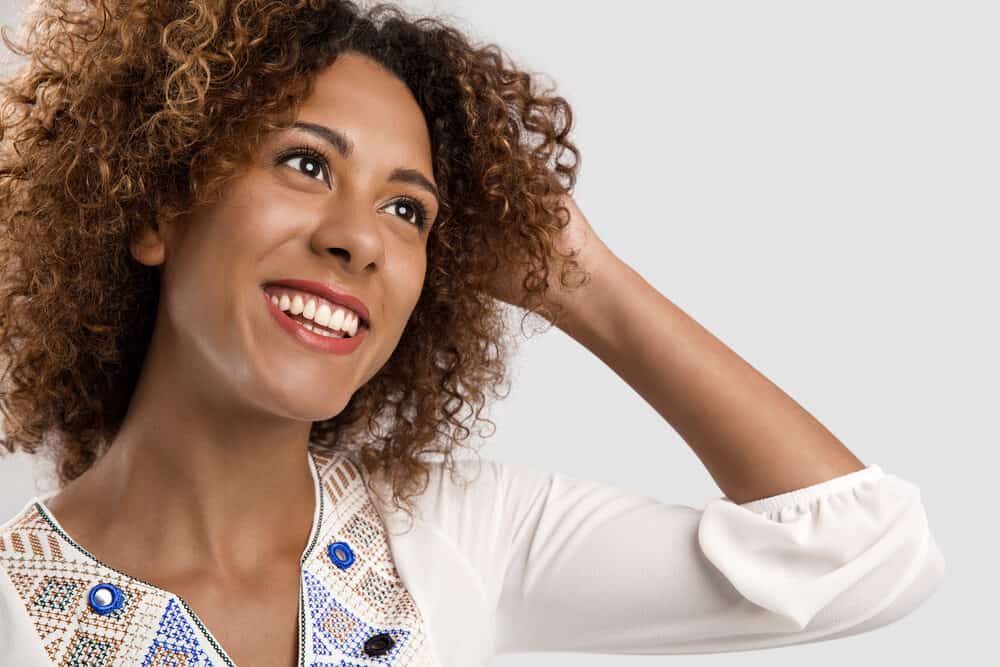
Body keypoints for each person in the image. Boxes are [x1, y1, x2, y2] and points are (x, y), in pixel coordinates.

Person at [0, 1, 945, 665]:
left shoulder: (455, 536)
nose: (358, 237)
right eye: (304, 163)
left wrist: (580, 284)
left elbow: (864, 554)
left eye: (408, 211)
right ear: (158, 208)